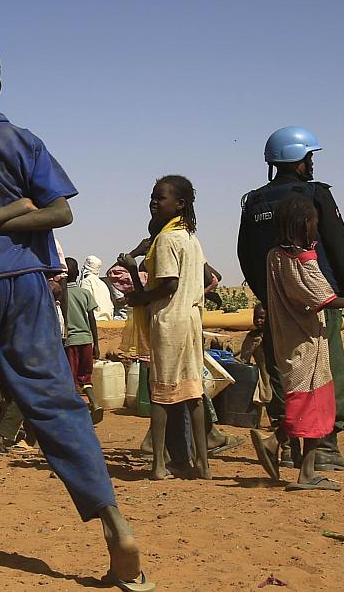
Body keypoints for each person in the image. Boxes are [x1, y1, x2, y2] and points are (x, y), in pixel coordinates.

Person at [0, 43, 148, 591]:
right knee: (56, 403)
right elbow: (60, 209)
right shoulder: (24, 140)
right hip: (30, 285)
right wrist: (19, 211)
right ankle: (114, 524)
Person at [237, 126, 344, 473]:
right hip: (320, 301)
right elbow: (339, 246)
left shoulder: (254, 201)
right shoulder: (315, 195)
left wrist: (268, 295)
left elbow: (245, 255)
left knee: (284, 372)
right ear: (303, 160)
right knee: (326, 370)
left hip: (276, 302)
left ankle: (291, 445)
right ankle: (324, 446)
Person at [251, 196, 344, 492]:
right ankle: (278, 444)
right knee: (309, 403)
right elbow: (317, 295)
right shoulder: (298, 260)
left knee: (313, 403)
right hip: (306, 341)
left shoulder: (274, 255)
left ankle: (307, 469)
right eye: (314, 224)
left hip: (292, 339)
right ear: (305, 225)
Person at [119, 176, 211, 481]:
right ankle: (203, 465)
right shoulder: (190, 238)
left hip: (170, 321)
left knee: (160, 392)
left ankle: (158, 464)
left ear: (179, 204)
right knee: (192, 391)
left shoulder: (168, 241)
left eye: (160, 198)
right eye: (153, 198)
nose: (153, 203)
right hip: (192, 320)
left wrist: (142, 296)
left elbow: (169, 285)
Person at [61, 256, 101, 422]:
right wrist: (96, 344)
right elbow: (92, 319)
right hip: (86, 340)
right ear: (77, 273)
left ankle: (77, 412)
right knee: (86, 376)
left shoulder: (60, 295)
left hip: (70, 341)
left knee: (71, 378)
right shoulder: (84, 293)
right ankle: (95, 403)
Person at [78, 255, 117, 324]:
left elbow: (84, 305)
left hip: (94, 322)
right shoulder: (103, 284)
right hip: (108, 321)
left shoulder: (86, 282)